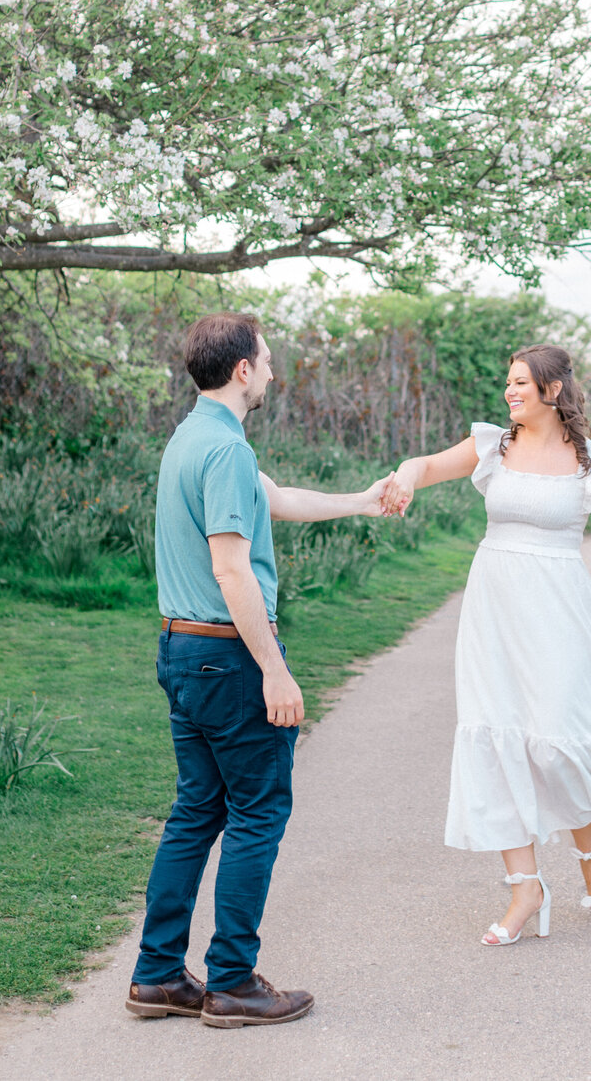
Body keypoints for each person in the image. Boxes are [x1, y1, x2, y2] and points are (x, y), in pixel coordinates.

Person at [127, 311, 388, 1027]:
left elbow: (280, 501)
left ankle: (156, 977)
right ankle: (233, 982)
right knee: (258, 811)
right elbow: (231, 566)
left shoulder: (193, 439)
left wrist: (366, 499)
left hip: (181, 650)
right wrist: (273, 669)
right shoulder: (226, 452)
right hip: (227, 655)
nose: (273, 371)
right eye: (267, 361)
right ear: (242, 370)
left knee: (196, 812)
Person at [380, 341, 591, 945]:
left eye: (520, 383)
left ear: (553, 390)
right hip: (494, 610)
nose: (510, 392)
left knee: (556, 739)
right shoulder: (494, 445)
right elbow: (427, 465)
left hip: (559, 611)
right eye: (508, 383)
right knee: (497, 735)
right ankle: (525, 890)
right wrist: (405, 479)